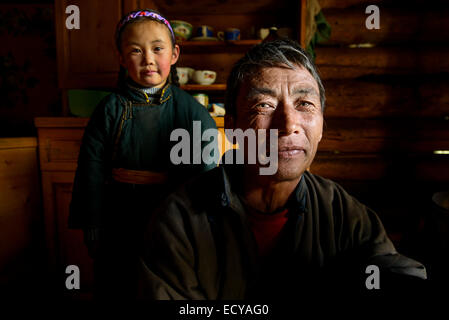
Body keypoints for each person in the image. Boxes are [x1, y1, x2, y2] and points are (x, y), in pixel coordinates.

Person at [137, 39, 427, 300]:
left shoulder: (344, 214)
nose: (288, 124)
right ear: (234, 126)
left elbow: (391, 272)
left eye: (305, 104)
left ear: (322, 126)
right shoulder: (180, 220)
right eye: (263, 105)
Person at [68, 9, 217, 299]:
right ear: (122, 59)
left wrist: (202, 228)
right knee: (118, 281)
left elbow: (206, 173)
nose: (148, 59)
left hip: (172, 215)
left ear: (174, 54)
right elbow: (91, 169)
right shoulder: (110, 110)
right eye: (135, 51)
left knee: (168, 282)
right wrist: (94, 226)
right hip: (118, 215)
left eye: (157, 49)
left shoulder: (192, 112)